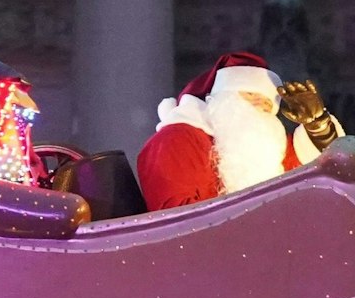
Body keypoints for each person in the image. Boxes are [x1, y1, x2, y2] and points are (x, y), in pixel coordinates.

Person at [135, 51, 343, 210]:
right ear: (223, 97)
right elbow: (175, 222)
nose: (260, 105)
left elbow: (316, 168)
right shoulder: (176, 140)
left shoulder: (266, 150)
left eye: (268, 103)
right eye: (250, 95)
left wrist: (318, 125)